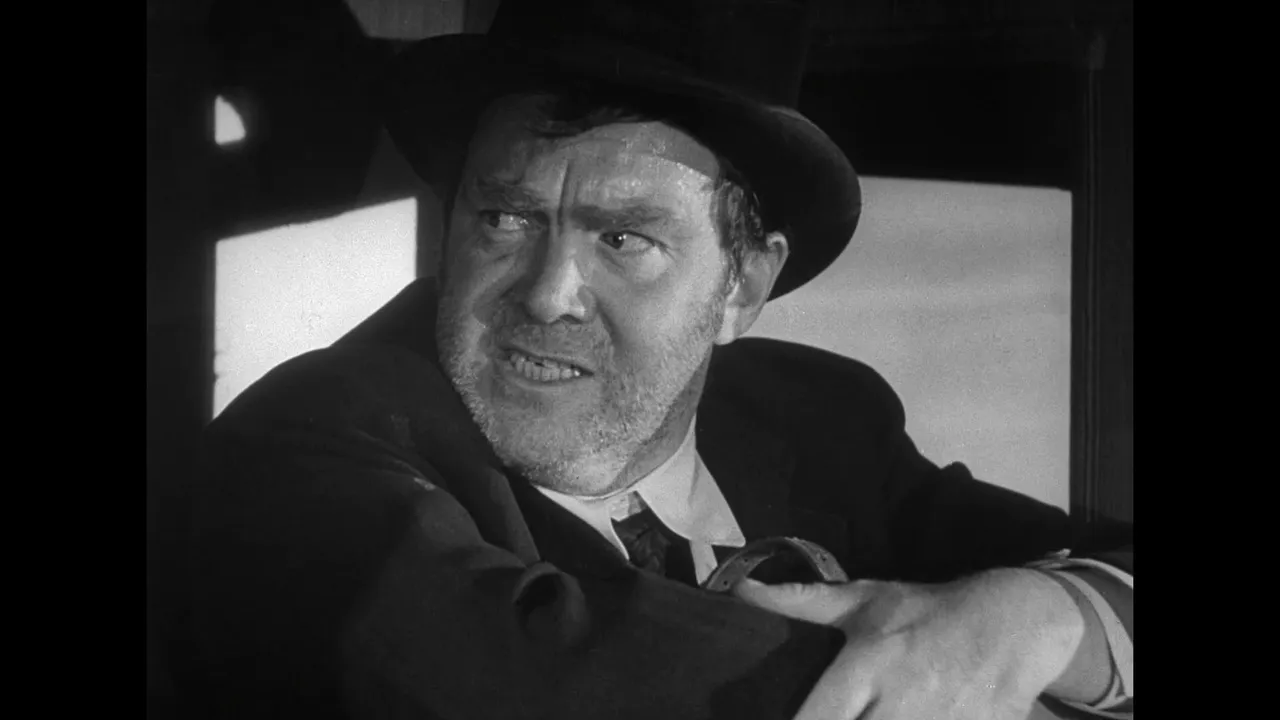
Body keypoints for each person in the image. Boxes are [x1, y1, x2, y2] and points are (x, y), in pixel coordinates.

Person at [184, 1, 1132, 718]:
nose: (547, 294)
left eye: (623, 239)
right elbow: (544, 675)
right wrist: (969, 667)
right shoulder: (302, 444)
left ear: (743, 287)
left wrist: (1039, 619)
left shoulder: (823, 417)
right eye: (505, 219)